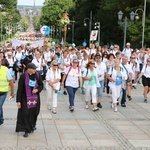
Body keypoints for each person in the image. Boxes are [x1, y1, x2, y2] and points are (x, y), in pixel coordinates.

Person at [15, 63, 43, 138]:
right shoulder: (23, 76)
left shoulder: (37, 75)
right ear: (29, 69)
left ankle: (33, 125)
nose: (35, 70)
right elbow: (20, 89)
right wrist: (18, 101)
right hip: (25, 98)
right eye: (33, 69)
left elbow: (41, 85)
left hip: (35, 98)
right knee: (26, 113)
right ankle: (26, 130)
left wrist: (37, 90)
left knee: (34, 113)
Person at [0, 58, 15, 126]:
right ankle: (1, 119)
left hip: (3, 92)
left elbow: (11, 81)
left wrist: (12, 92)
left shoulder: (5, 69)